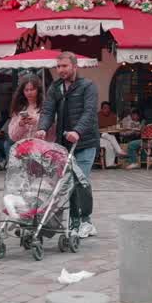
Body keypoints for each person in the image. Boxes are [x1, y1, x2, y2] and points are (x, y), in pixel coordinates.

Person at [35, 52, 100, 237]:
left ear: (74, 66)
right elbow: (48, 111)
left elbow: (89, 112)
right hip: (64, 144)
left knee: (80, 182)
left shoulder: (87, 86)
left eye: (64, 66)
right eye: (58, 67)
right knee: (66, 184)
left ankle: (85, 222)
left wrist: (77, 131)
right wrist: (42, 128)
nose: (61, 70)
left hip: (85, 143)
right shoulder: (55, 88)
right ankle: (74, 222)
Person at [96, 101, 128, 168]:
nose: (107, 110)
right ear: (101, 109)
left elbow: (116, 126)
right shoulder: (97, 116)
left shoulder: (112, 115)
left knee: (110, 143)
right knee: (109, 136)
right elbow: (96, 128)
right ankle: (119, 151)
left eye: (108, 108)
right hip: (97, 137)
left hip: (106, 137)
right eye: (105, 108)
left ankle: (110, 164)